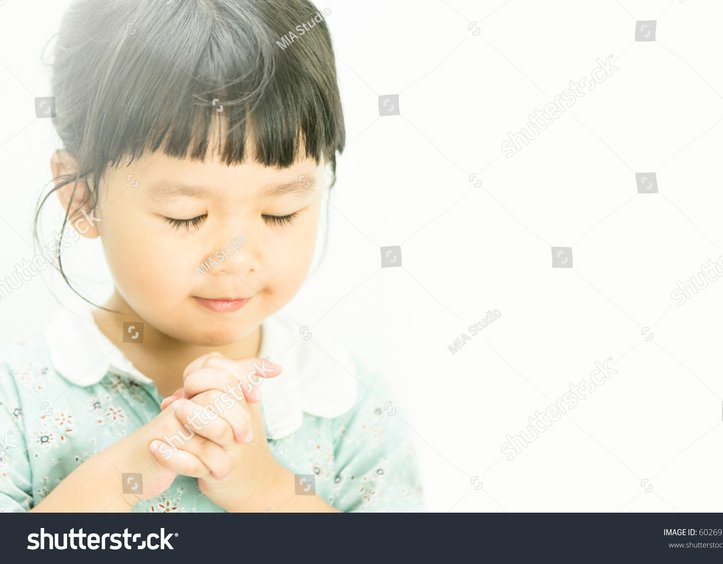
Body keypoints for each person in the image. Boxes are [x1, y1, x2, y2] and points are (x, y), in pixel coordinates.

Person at [0, 0, 423, 512]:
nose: (235, 258)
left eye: (280, 212)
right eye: (187, 216)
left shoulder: (347, 410)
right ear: (83, 199)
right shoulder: (20, 399)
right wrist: (129, 471)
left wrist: (262, 489)